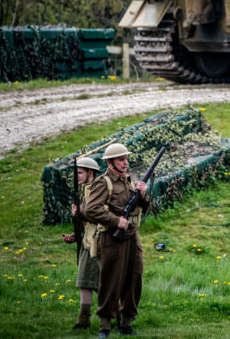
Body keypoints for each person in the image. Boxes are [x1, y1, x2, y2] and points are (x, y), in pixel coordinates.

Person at [84, 143, 148, 338]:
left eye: (126, 158)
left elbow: (143, 207)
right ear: (110, 163)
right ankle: (104, 327)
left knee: (134, 280)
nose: (125, 162)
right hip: (112, 239)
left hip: (132, 238)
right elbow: (91, 209)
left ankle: (126, 324)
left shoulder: (128, 181)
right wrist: (115, 221)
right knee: (111, 282)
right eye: (121, 159)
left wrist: (143, 196)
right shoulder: (103, 183)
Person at [62, 157, 102, 330]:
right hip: (86, 241)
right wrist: (74, 236)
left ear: (90, 173)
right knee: (84, 281)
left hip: (98, 242)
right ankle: (83, 320)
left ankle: (114, 315)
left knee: (101, 285)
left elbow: (100, 216)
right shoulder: (84, 191)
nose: (76, 176)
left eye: (79, 173)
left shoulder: (98, 191)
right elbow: (86, 223)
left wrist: (80, 213)